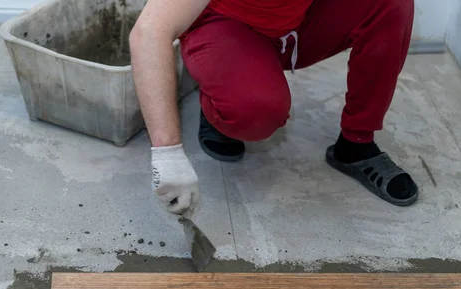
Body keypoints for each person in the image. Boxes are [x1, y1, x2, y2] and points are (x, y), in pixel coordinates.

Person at [130, 0, 419, 216]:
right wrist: (167, 154)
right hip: (227, 23)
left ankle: (356, 145)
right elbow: (150, 31)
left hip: (298, 19)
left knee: (392, 3)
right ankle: (219, 98)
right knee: (255, 110)